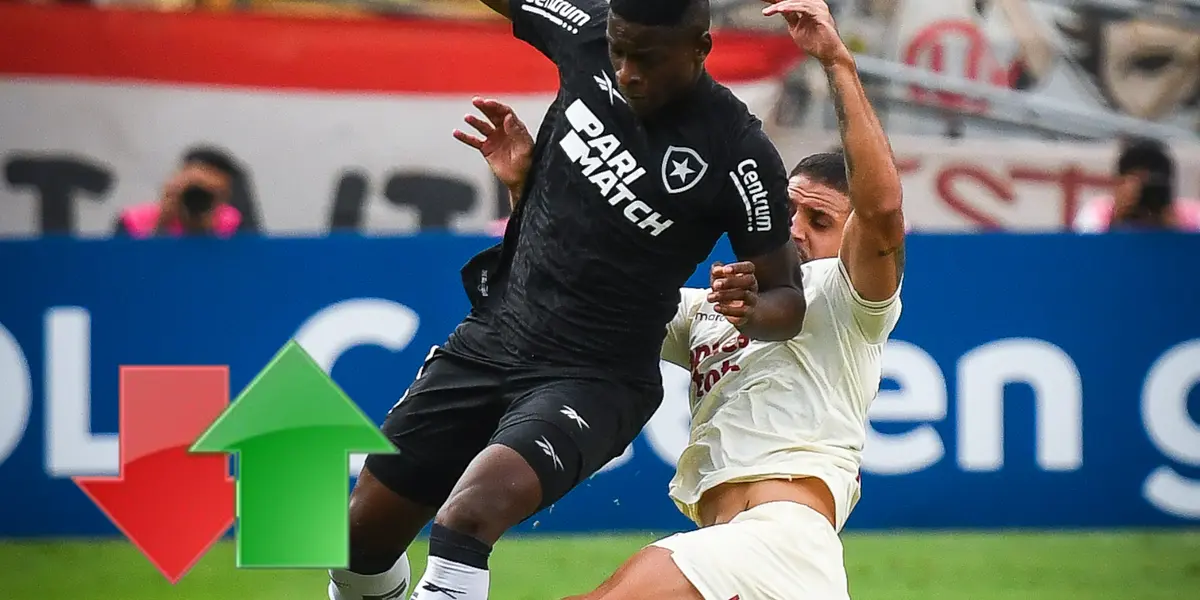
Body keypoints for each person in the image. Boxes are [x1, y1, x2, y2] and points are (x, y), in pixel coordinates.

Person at [329, 0, 808, 599]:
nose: (628, 71)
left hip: (595, 379)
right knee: (354, 545)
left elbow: (787, 298)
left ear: (700, 48)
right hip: (493, 338)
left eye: (648, 58)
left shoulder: (738, 154)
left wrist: (752, 310)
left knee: (466, 518)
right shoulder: (583, 34)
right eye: (619, 50)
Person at [457, 1, 904, 598]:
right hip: (749, 554)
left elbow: (881, 213)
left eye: (818, 219)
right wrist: (526, 191)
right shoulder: (711, 309)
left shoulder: (847, 303)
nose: (795, 227)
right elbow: (579, 299)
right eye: (790, 209)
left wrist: (836, 61)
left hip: (776, 542)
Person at [1072, 137, 1200, 232]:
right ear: (1119, 184)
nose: (1145, 193)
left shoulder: (1192, 215)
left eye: (1152, 185)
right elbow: (1087, 255)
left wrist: (1178, 231)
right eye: (1138, 185)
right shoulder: (1097, 213)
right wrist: (1116, 219)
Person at [112, 146, 243, 238]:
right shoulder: (133, 221)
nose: (198, 199)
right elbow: (126, 268)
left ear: (224, 196)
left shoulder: (234, 224)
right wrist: (162, 223)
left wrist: (207, 232)